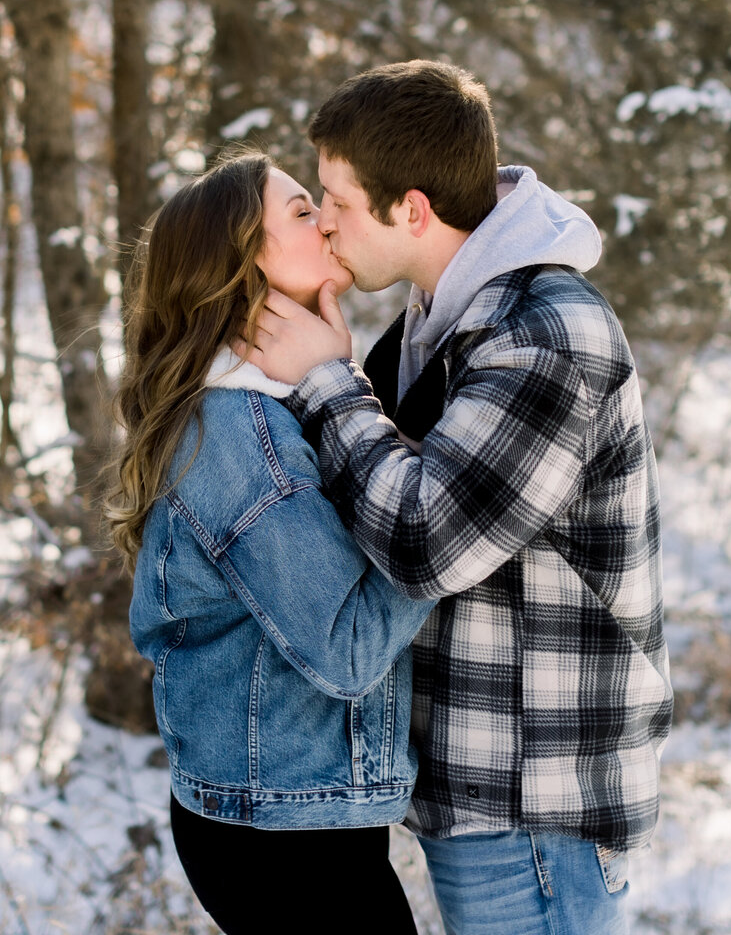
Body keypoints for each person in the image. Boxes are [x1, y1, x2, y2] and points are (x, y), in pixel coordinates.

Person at [243, 60, 673, 935]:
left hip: (536, 802)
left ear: (413, 209)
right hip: (478, 792)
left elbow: (424, 541)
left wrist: (328, 381)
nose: (322, 225)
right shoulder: (440, 319)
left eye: (337, 201)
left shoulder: (547, 336)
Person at [107, 152, 435, 935]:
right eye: (297, 212)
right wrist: (441, 517)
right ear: (238, 265)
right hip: (281, 840)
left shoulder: (272, 409)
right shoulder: (242, 431)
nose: (324, 220)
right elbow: (349, 647)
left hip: (282, 820)